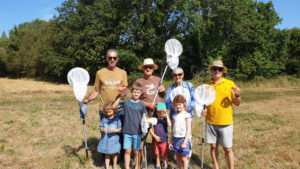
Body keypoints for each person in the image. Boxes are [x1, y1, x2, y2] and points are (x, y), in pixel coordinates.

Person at [82, 49, 128, 166]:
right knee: (105, 135)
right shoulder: (100, 73)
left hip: (119, 109)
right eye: (110, 58)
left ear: (117, 59)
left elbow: (125, 90)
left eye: (114, 58)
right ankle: (105, 160)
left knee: (121, 134)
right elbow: (96, 91)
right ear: (106, 59)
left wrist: (123, 93)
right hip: (104, 109)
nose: (112, 60)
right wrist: (88, 99)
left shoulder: (123, 73)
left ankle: (121, 159)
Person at [202, 60, 241, 169]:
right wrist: (202, 109)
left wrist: (237, 95)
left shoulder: (230, 84)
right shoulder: (207, 85)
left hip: (225, 122)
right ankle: (216, 167)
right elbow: (203, 102)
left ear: (223, 71)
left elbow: (237, 103)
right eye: (215, 69)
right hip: (210, 121)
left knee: (227, 148)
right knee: (213, 146)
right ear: (211, 71)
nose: (217, 71)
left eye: (219, 69)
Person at [135, 58, 166, 168]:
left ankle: (157, 159)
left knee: (156, 137)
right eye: (146, 67)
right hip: (144, 114)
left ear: (153, 69)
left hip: (157, 114)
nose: (148, 69)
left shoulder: (158, 79)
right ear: (143, 69)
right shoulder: (139, 81)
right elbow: (135, 99)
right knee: (143, 136)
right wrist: (147, 104)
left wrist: (163, 90)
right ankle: (143, 158)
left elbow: (162, 96)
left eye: (150, 67)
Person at [165, 67, 195, 167]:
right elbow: (167, 102)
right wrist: (176, 110)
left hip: (187, 115)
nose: (177, 76)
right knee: (177, 136)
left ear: (182, 75)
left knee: (187, 137)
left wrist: (185, 110)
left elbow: (194, 100)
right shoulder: (170, 88)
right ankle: (179, 163)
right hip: (176, 117)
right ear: (173, 76)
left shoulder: (189, 85)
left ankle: (187, 161)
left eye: (179, 74)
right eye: (175, 75)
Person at [114, 82, 147, 169]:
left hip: (137, 131)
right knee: (127, 151)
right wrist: (120, 97)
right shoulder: (126, 102)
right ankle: (127, 167)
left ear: (141, 93)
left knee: (136, 151)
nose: (136, 94)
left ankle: (136, 166)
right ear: (132, 91)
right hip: (127, 131)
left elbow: (145, 116)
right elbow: (114, 107)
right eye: (135, 92)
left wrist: (148, 121)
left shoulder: (142, 105)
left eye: (138, 92)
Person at [169, 95, 192, 169]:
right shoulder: (174, 116)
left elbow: (188, 129)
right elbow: (173, 129)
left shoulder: (186, 115)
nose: (178, 106)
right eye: (176, 105)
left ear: (184, 104)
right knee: (178, 157)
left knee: (184, 158)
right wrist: (170, 141)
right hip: (175, 139)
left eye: (180, 104)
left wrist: (185, 142)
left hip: (183, 139)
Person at [97, 102, 122, 169]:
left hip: (114, 140)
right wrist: (102, 130)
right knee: (107, 154)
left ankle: (114, 166)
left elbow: (120, 129)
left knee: (114, 154)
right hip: (106, 140)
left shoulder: (117, 119)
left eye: (110, 112)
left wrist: (114, 131)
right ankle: (107, 167)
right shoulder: (104, 119)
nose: (108, 114)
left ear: (113, 110)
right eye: (107, 112)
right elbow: (100, 127)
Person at [149, 103, 171, 169]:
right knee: (157, 154)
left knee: (164, 154)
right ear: (156, 112)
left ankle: (165, 165)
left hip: (164, 140)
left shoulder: (165, 120)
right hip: (156, 140)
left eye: (162, 112)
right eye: (159, 112)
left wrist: (166, 116)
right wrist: (155, 136)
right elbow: (150, 129)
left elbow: (169, 125)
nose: (160, 114)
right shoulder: (154, 120)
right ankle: (157, 164)